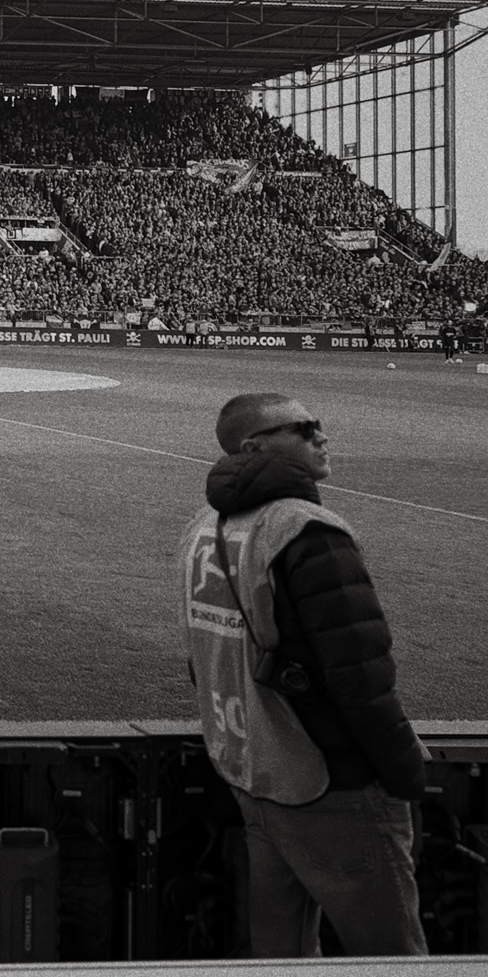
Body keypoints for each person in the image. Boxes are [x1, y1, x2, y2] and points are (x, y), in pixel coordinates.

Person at [178, 392, 427, 958]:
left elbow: (203, 660)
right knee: (393, 959)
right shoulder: (306, 531)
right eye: (304, 427)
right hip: (327, 778)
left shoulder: (203, 528)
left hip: (250, 768)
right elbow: (362, 677)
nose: (322, 435)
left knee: (281, 953)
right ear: (254, 446)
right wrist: (406, 775)